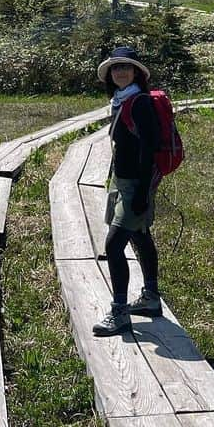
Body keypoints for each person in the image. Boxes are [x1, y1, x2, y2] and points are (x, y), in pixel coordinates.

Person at [92, 45, 163, 337]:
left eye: (126, 67)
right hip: (123, 182)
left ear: (136, 72)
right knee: (139, 236)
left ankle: (120, 312)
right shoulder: (122, 100)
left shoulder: (140, 103)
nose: (120, 71)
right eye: (116, 68)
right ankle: (150, 298)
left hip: (135, 185)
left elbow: (150, 149)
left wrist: (143, 193)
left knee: (113, 246)